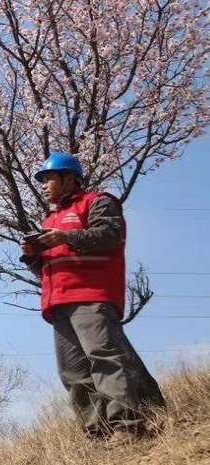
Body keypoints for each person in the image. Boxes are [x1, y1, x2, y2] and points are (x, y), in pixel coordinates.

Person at [20, 152, 166, 441]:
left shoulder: (98, 202)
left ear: (69, 178)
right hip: (57, 301)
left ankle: (127, 425)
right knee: (73, 373)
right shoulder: (51, 218)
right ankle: (98, 433)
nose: (44, 185)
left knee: (104, 358)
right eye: (43, 181)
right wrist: (33, 257)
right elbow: (50, 265)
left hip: (91, 294)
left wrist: (67, 237)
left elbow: (109, 236)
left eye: (49, 179)